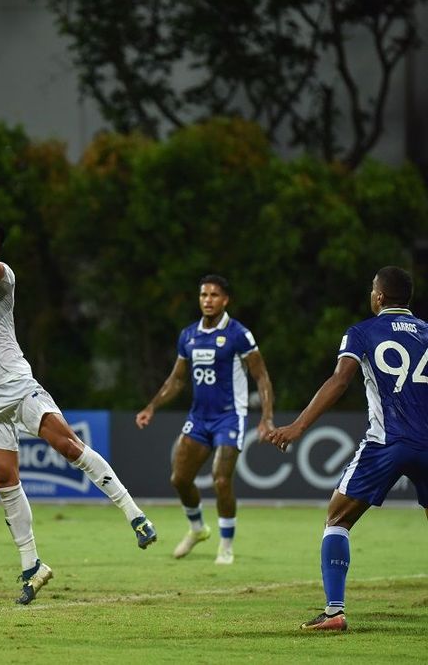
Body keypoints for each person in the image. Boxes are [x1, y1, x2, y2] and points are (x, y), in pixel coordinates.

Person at [0, 219, 157, 605]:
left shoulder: (1, 278)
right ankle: (32, 566)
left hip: (15, 384)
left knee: (68, 446)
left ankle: (135, 515)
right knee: (4, 478)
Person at [268, 266, 428, 631]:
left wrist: (298, 426)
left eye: (373, 289)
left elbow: (340, 380)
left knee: (337, 519)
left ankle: (334, 612)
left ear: (380, 297)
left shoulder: (363, 332)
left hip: (388, 441)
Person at [135, 275, 274, 565]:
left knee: (221, 479)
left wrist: (266, 418)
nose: (208, 300)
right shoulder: (188, 335)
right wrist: (152, 407)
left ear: (225, 300)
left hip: (229, 417)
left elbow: (261, 376)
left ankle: (225, 545)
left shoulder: (238, 334)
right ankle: (198, 529)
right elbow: (176, 380)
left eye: (214, 295)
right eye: (203, 295)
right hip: (199, 418)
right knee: (179, 478)